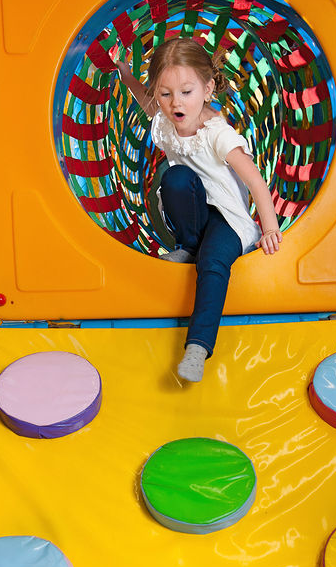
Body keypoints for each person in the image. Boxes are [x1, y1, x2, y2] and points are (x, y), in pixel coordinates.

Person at [116, 37, 282, 383]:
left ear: (207, 90)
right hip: (194, 212)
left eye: (186, 92)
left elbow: (255, 181)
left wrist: (268, 227)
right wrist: (124, 71)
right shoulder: (164, 118)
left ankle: (198, 346)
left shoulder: (217, 134)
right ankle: (187, 246)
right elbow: (143, 100)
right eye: (166, 94)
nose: (176, 103)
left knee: (213, 264)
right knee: (175, 178)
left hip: (228, 218)